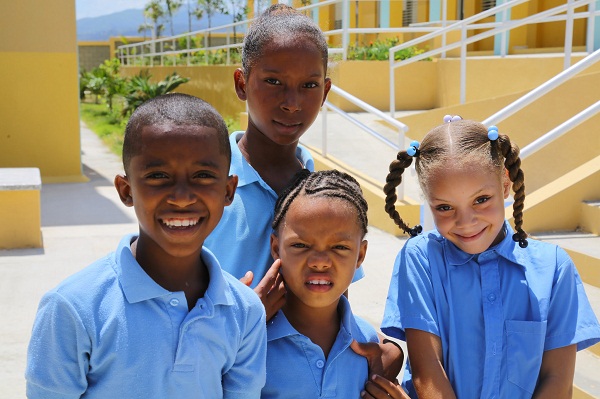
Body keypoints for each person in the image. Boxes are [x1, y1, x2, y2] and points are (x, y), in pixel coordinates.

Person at [25, 93, 267, 399]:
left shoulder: (244, 311)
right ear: (126, 191)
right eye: (158, 176)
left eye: (203, 175)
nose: (182, 197)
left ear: (229, 191)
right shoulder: (73, 308)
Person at [380, 116, 600, 398]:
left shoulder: (554, 268)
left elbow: (556, 380)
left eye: (481, 199)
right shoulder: (420, 258)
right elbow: (428, 371)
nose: (466, 221)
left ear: (505, 185)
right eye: (445, 207)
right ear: (428, 200)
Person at [203, 3, 366, 320]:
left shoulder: (327, 194)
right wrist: (247, 318)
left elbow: (338, 306)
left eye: (309, 85)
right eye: (274, 82)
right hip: (219, 366)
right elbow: (172, 306)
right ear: (241, 84)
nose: (292, 103)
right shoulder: (204, 186)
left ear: (325, 91)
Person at [262, 169, 407, 399]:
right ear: (275, 248)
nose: (320, 262)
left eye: (339, 247)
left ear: (360, 256)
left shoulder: (369, 345)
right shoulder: (253, 341)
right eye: (300, 245)